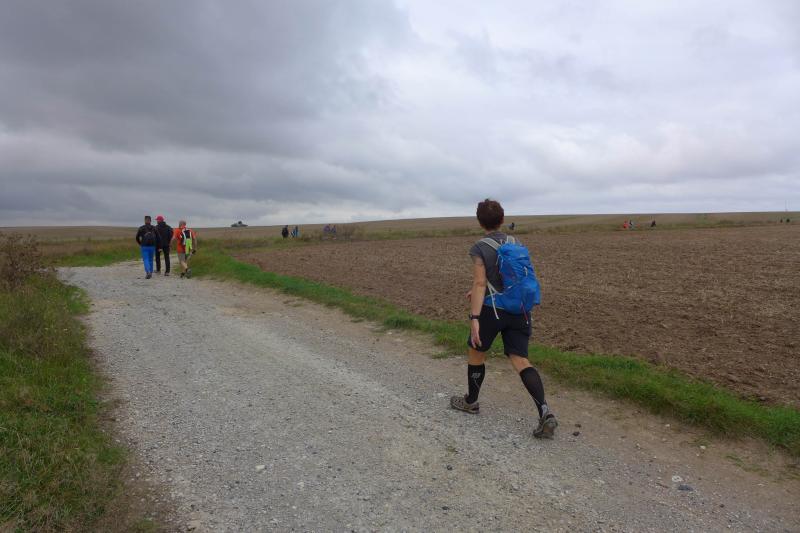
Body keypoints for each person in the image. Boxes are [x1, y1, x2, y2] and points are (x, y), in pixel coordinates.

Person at [450, 199, 557, 439]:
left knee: (476, 352)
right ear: (502, 219)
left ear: (480, 222)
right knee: (521, 360)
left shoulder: (479, 247)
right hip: (519, 310)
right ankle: (545, 411)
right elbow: (514, 278)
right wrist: (477, 290)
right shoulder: (516, 242)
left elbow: (480, 282)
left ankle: (471, 401)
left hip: (492, 310)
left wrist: (474, 318)